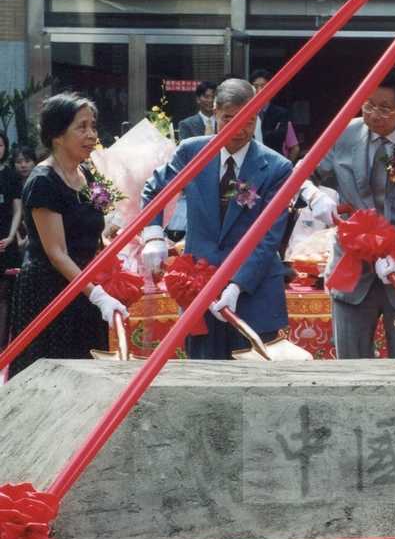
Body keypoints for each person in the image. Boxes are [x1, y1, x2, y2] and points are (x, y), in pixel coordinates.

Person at [141, 79, 293, 360]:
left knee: (255, 382)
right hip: (198, 285)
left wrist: (236, 285)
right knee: (203, 377)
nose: (238, 129)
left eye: (248, 121)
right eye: (229, 119)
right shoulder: (192, 151)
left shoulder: (277, 167)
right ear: (215, 112)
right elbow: (156, 188)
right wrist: (152, 234)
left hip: (254, 290)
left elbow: (269, 236)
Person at [317, 65, 395, 359]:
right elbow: (306, 173)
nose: (374, 115)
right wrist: (314, 197)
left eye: (386, 108)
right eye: (369, 105)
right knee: (351, 369)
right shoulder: (342, 133)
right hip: (353, 267)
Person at [7, 93, 128, 378]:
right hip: (50, 290)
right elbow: (57, 252)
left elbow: (99, 225)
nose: (91, 135)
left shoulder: (89, 173)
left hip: (84, 285)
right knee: (52, 376)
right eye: (81, 127)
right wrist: (97, 294)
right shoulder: (43, 181)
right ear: (57, 135)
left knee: (88, 374)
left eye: (93, 126)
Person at [0, 133, 23, 351]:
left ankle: (3, 348)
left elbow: (17, 210)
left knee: (5, 295)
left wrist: (10, 236)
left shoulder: (12, 176)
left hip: (6, 243)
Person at [251, 69, 299, 163]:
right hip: (251, 161)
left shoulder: (281, 113)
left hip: (273, 162)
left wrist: (254, 136)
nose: (259, 91)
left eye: (263, 87)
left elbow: (279, 138)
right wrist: (271, 133)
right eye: (255, 87)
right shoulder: (245, 112)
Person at [13, 146, 38, 256]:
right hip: (13, 238)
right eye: (19, 162)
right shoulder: (11, 187)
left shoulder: (39, 186)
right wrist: (17, 240)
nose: (23, 165)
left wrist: (27, 239)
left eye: (27, 161)